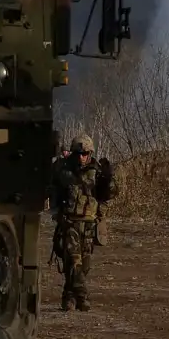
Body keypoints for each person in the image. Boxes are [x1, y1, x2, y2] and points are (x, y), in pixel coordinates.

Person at [49, 133, 117, 312]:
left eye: (85, 153)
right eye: (78, 153)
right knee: (73, 259)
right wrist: (55, 211)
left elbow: (108, 195)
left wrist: (109, 179)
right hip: (69, 221)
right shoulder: (64, 169)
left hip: (89, 223)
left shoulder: (97, 171)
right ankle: (82, 295)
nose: (81, 157)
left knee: (84, 264)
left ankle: (69, 297)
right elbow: (53, 186)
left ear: (90, 153)